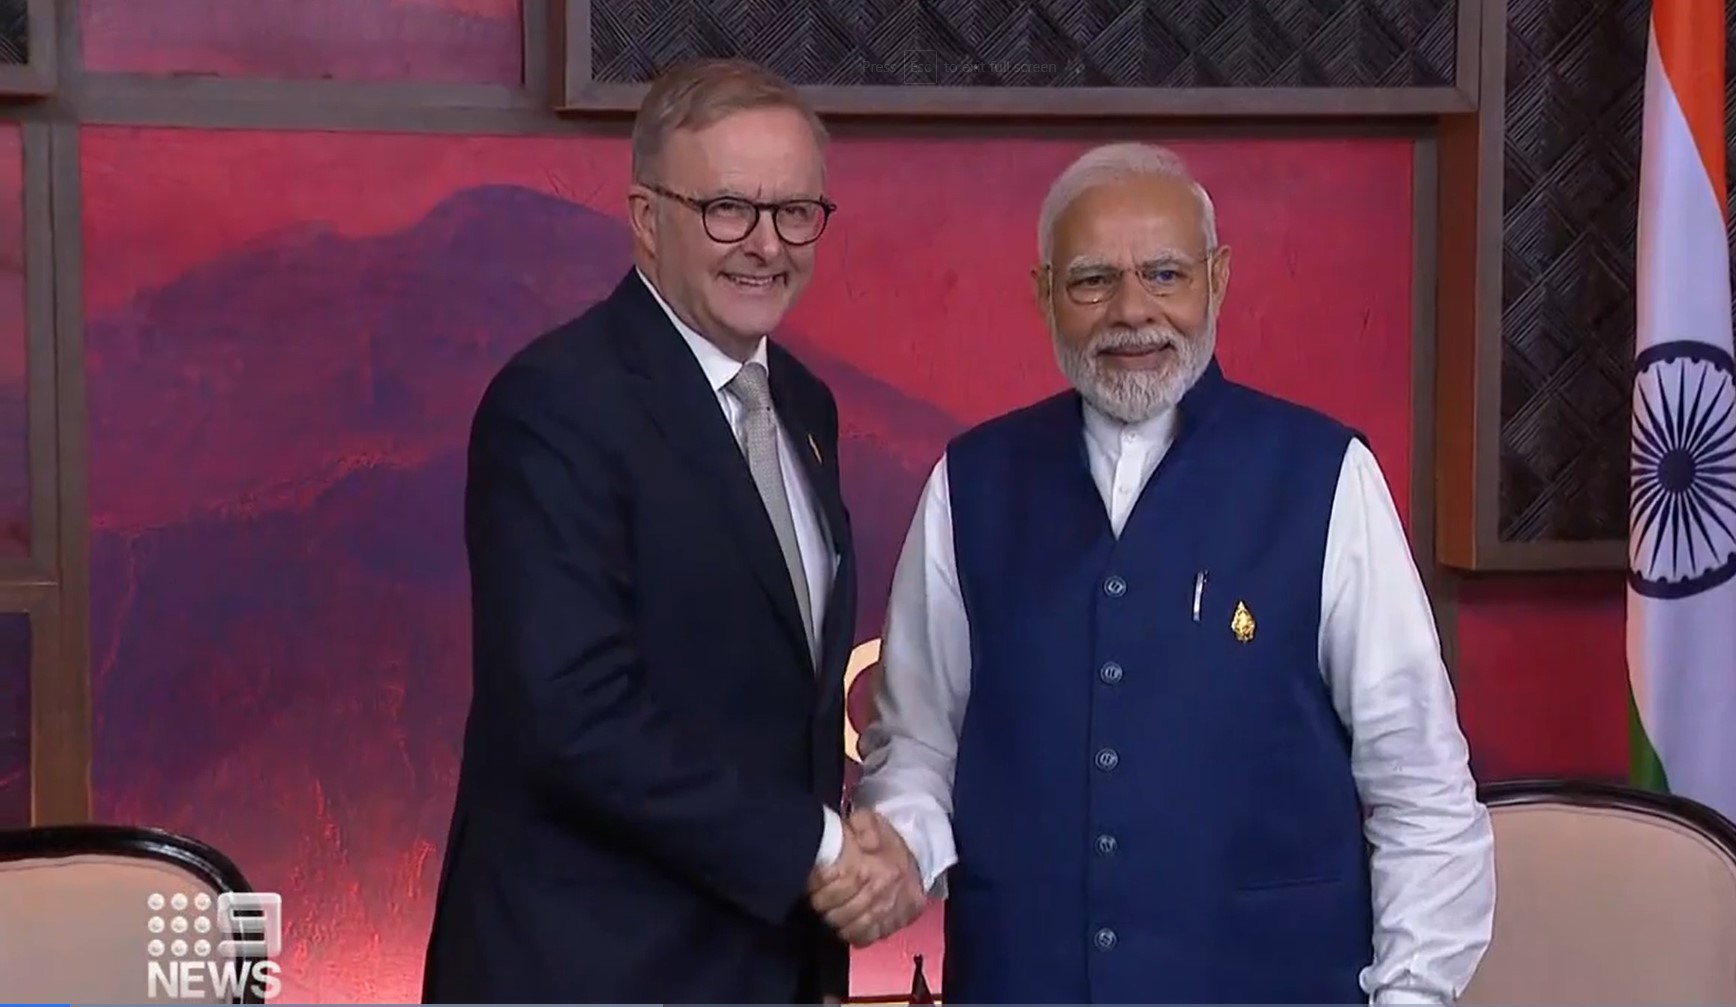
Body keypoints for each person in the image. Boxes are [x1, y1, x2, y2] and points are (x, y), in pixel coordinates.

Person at [827, 142, 1498, 1003]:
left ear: (1218, 279)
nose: (1132, 310)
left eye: (1166, 274)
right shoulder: (971, 481)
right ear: (1043, 294)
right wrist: (900, 846)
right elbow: (918, 745)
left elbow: (1419, 784)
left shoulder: (1325, 475)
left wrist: (1410, 995)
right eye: (1092, 280)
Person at [421, 58, 917, 1003]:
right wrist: (819, 847)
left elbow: (784, 705)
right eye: (728, 209)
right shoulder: (556, 404)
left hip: (763, 965)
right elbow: (574, 714)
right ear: (647, 219)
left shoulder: (803, 403)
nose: (765, 244)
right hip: (589, 973)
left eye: (795, 212)